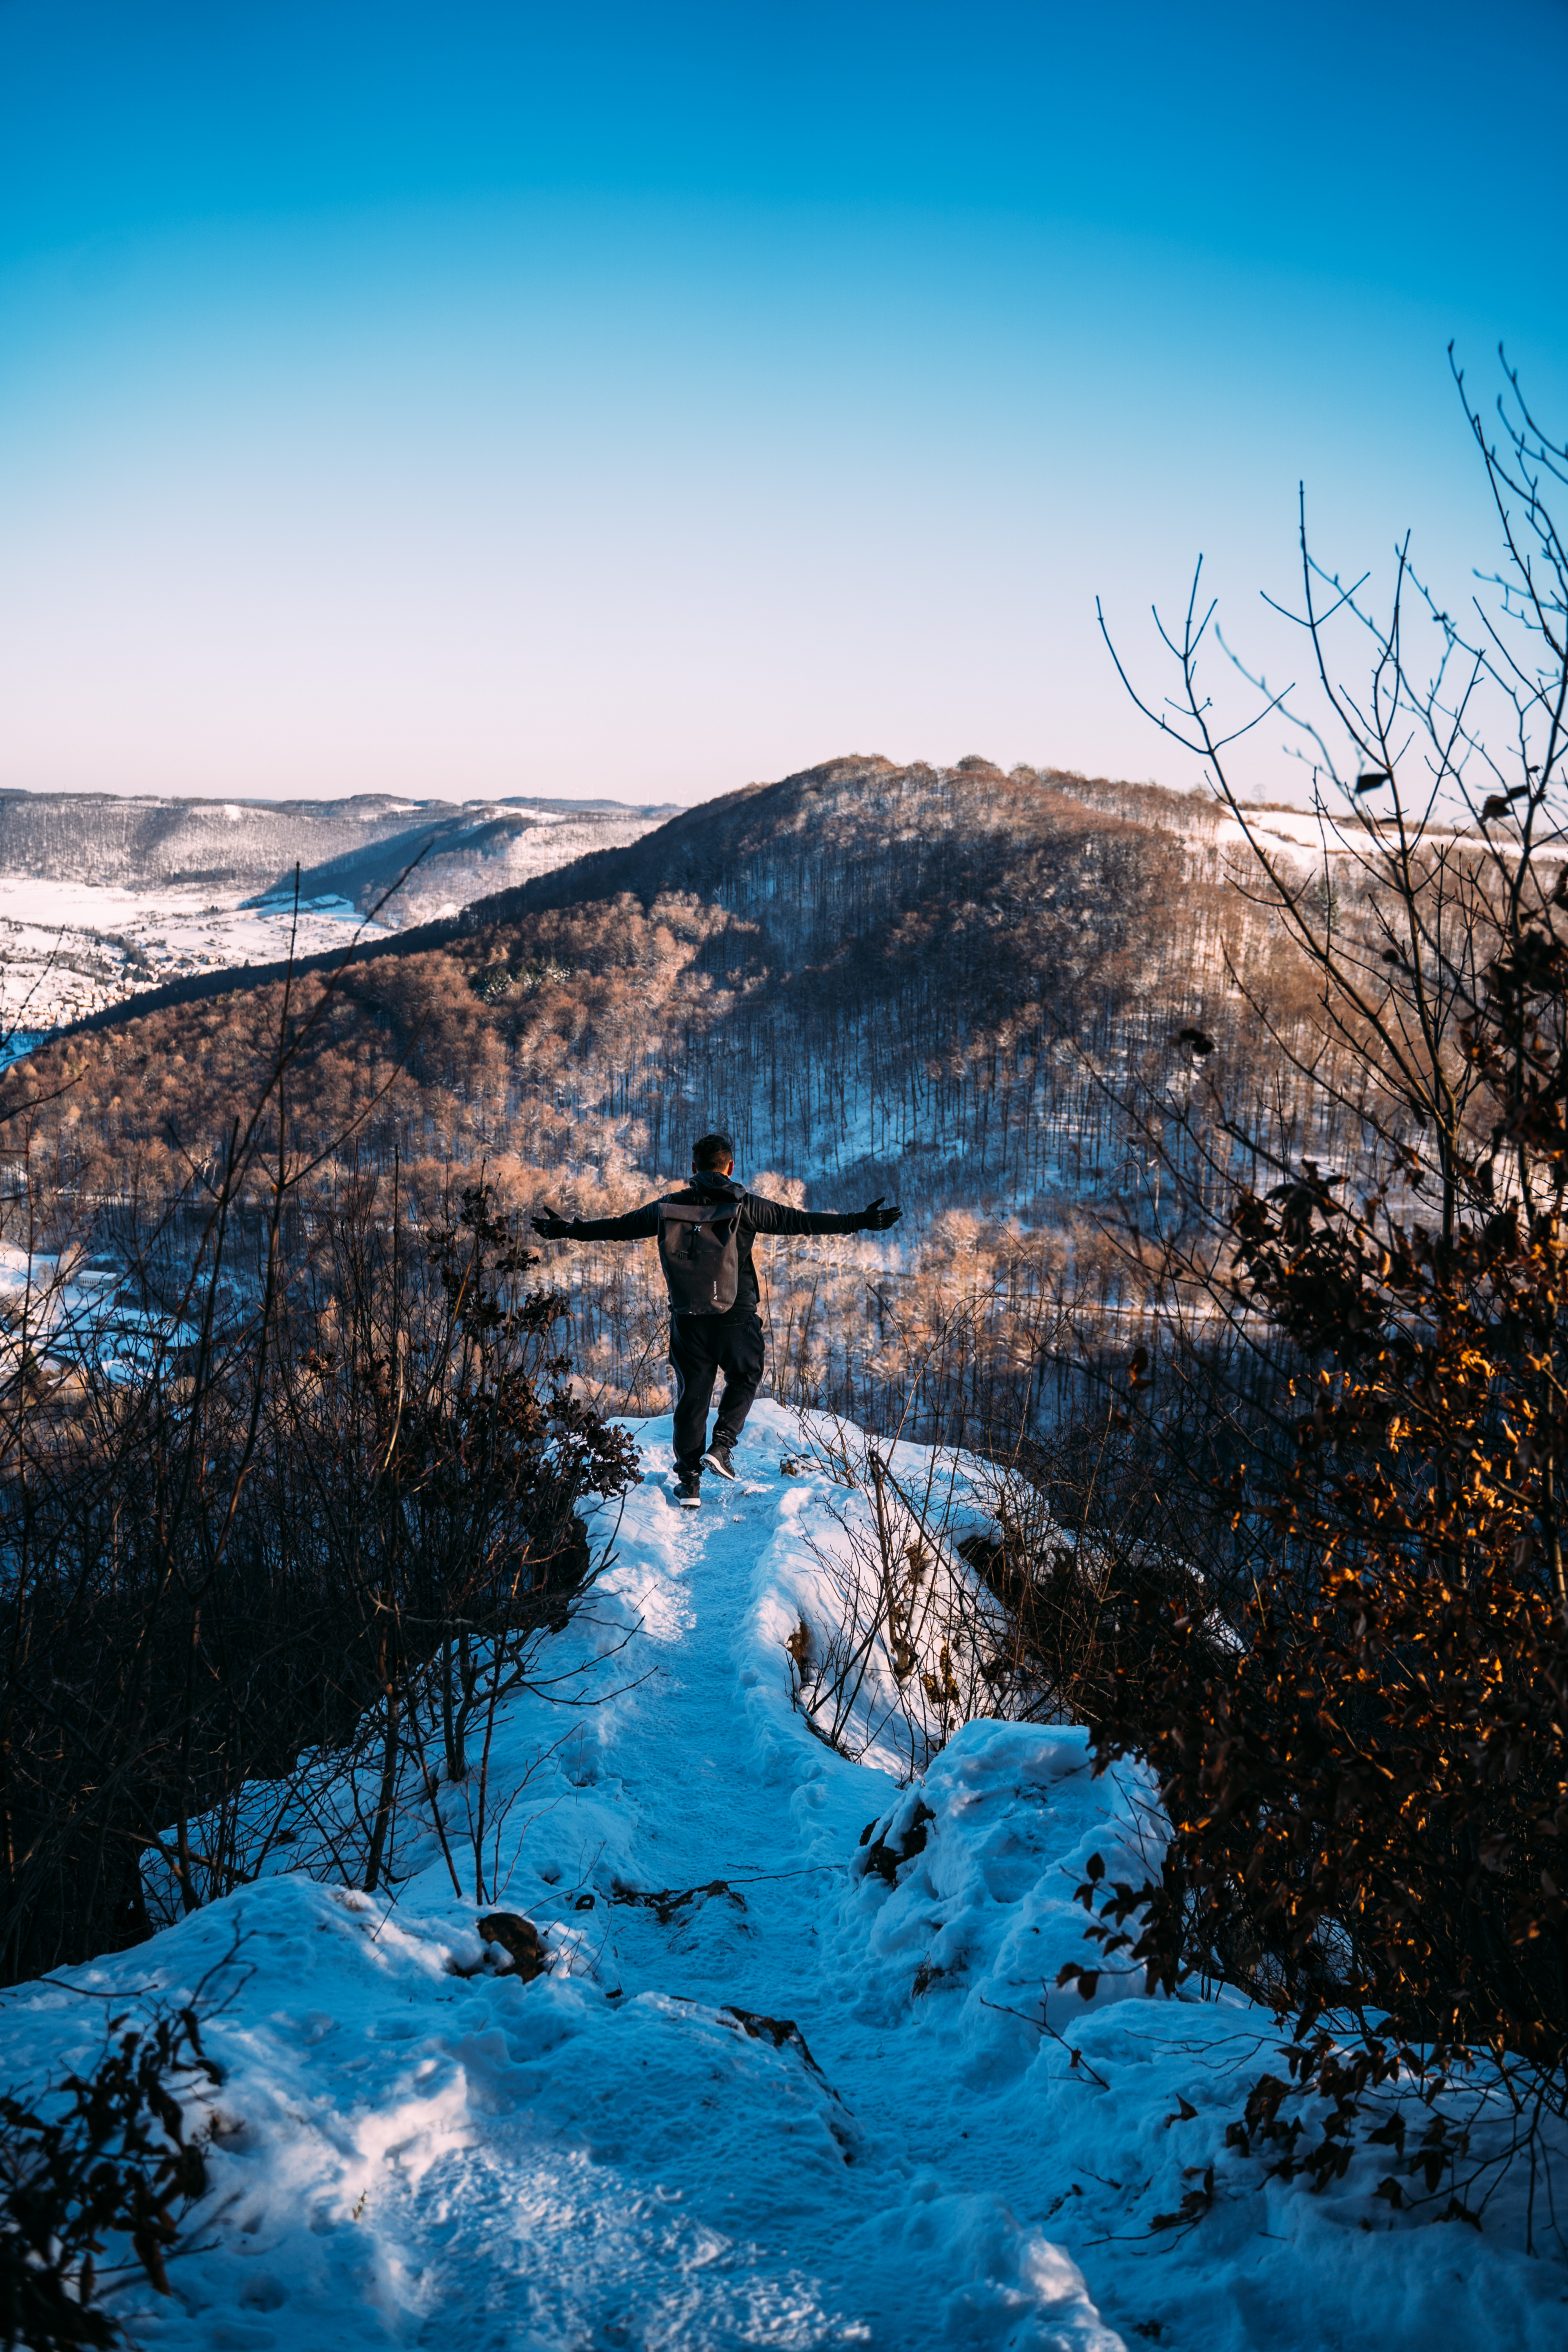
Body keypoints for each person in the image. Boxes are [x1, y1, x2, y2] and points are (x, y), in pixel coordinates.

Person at [532, 1133, 900, 1507]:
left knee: (693, 1394)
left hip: (688, 1314)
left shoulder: (669, 1206)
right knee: (746, 1374)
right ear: (730, 1166)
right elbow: (800, 1222)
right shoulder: (746, 1206)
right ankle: (721, 1446)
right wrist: (860, 1221)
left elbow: (618, 1228)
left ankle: (689, 1482)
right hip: (735, 1314)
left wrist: (569, 1230)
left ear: (693, 1169)